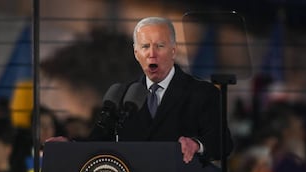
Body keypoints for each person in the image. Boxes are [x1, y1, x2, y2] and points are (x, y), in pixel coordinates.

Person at [92, 17, 233, 164]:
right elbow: (95, 141)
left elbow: (223, 143)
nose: (152, 53)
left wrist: (196, 145)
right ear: (136, 53)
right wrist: (71, 145)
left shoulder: (203, 93)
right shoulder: (122, 96)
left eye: (160, 46)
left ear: (173, 50)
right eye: (145, 46)